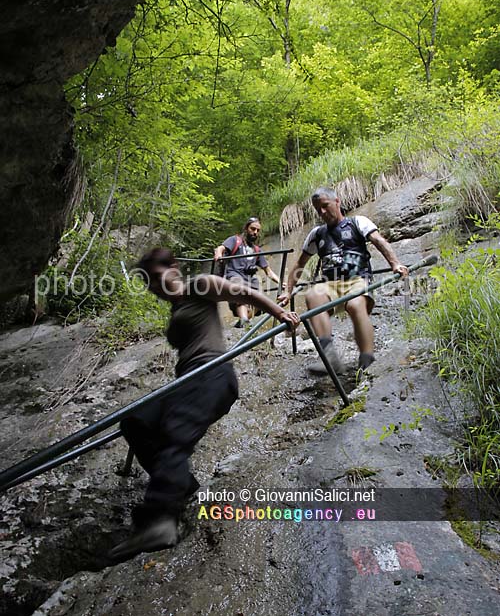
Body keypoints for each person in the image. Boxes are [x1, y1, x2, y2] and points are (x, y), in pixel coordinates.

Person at [109, 247, 300, 560]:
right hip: (187, 382)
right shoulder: (176, 308)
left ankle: (159, 519)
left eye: (158, 277)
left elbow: (242, 293)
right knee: (135, 422)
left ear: (175, 268)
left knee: (174, 432)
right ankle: (181, 486)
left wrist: (280, 313)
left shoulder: (199, 284)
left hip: (212, 374)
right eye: (151, 284)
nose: (157, 287)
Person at [278, 187, 408, 373]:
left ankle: (367, 359)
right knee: (313, 294)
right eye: (318, 209)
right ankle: (330, 358)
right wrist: (287, 291)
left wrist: (395, 263)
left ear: (337, 202)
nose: (322, 212)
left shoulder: (357, 222)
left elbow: (379, 241)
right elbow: (300, 263)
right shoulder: (316, 234)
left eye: (325, 206)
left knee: (355, 305)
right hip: (330, 284)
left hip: (358, 279)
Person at [214, 216, 283, 327]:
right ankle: (244, 321)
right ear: (246, 228)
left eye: (258, 230)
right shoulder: (235, 240)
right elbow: (220, 248)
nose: (255, 232)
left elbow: (268, 271)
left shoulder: (257, 250)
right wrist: (218, 255)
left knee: (259, 298)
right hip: (234, 275)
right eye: (252, 229)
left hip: (251, 279)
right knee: (240, 290)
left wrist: (281, 282)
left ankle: (244, 322)